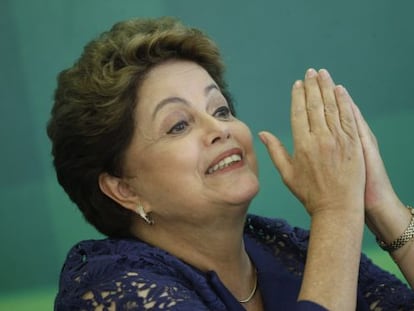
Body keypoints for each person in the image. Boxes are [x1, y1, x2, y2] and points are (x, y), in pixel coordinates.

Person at [47, 16, 414, 310]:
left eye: (220, 110)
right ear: (124, 188)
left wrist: (380, 207)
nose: (219, 129)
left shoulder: (285, 249)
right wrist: (336, 211)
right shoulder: (108, 289)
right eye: (178, 125)